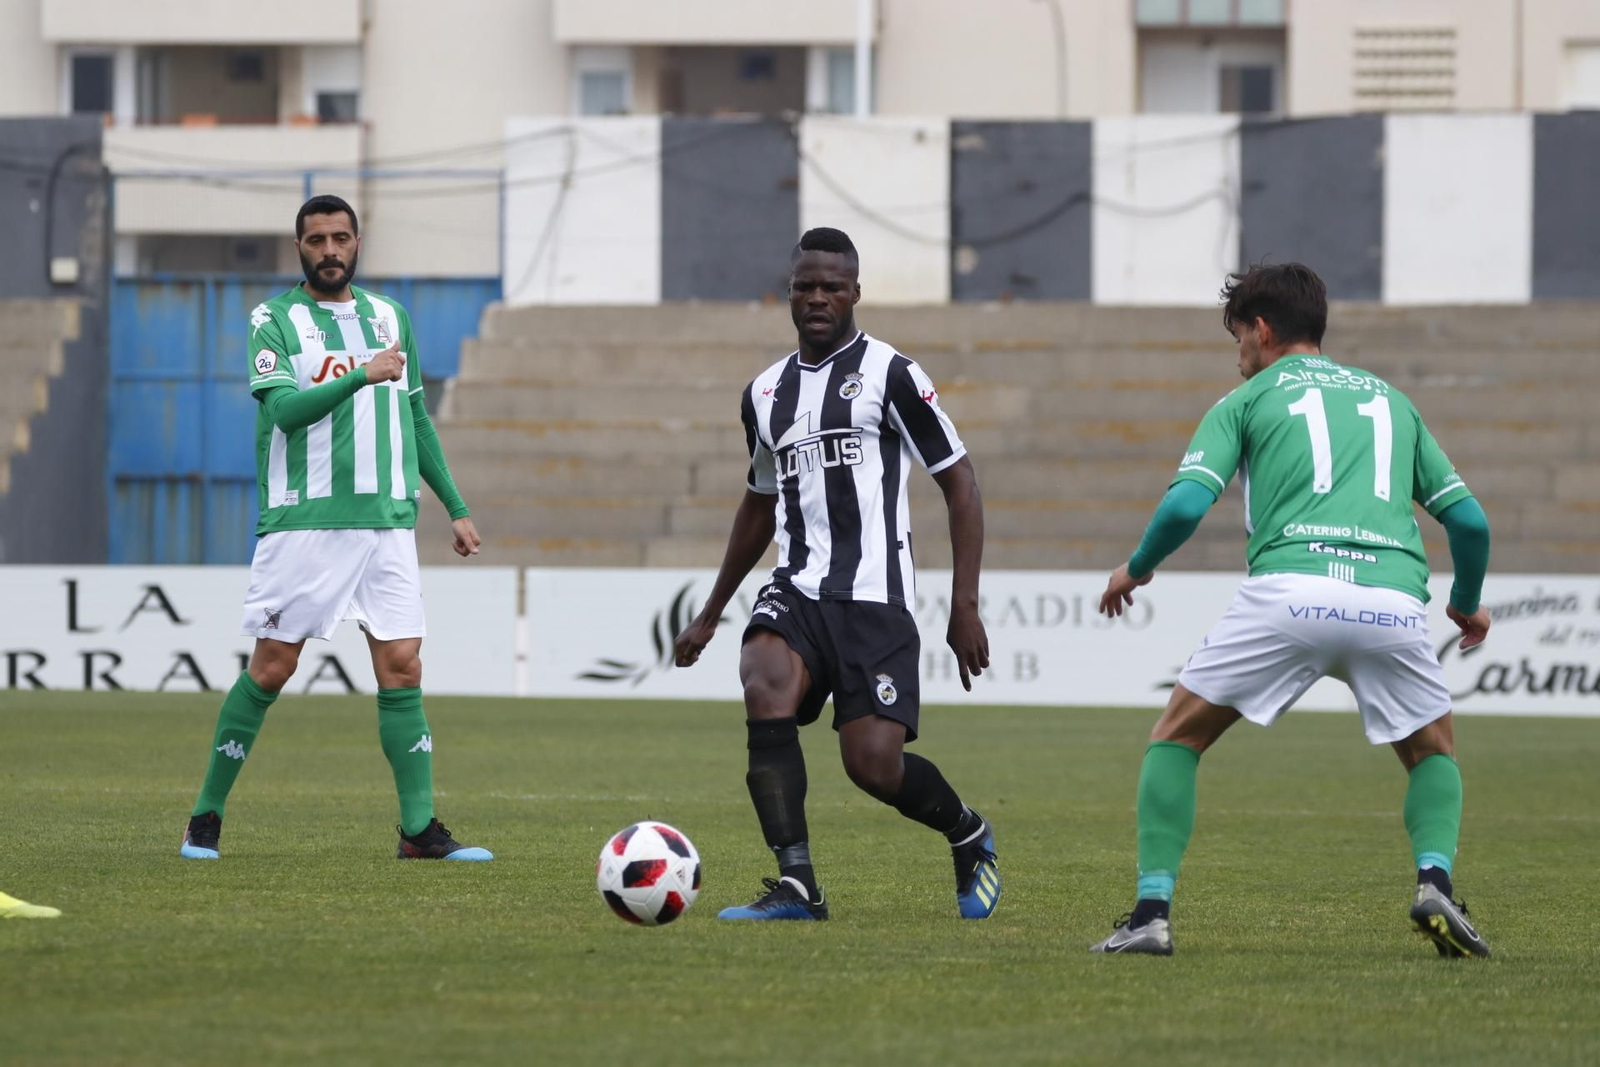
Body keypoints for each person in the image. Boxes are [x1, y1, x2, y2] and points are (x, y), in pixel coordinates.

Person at [1088, 262, 1492, 958]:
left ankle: (1151, 913)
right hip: (1392, 600)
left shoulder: (1244, 399)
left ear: (1264, 329)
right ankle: (1435, 883)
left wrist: (1136, 568)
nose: (1237, 351)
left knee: (1177, 736)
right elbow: (1473, 524)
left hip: (1289, 593)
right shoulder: (1391, 401)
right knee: (1432, 751)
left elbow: (1187, 502)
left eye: (1239, 335)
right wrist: (1464, 606)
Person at [673, 227, 999, 921]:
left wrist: (964, 603)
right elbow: (759, 503)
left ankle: (967, 831)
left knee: (871, 764)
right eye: (805, 286)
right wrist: (711, 611)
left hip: (874, 597)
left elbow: (960, 481)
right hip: (797, 588)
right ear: (788, 292)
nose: (818, 297)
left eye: (832, 287)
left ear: (855, 292)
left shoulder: (893, 375)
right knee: (762, 676)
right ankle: (797, 883)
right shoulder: (763, 394)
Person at [179, 195, 491, 862]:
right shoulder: (275, 321)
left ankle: (419, 829)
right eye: (316, 239)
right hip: (305, 523)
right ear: (299, 247)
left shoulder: (389, 317)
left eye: (340, 237)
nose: (329, 250)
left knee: (403, 666)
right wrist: (360, 372)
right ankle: (205, 815)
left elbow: (415, 421)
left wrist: (455, 507)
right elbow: (287, 412)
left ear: (356, 242)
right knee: (272, 666)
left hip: (387, 523)